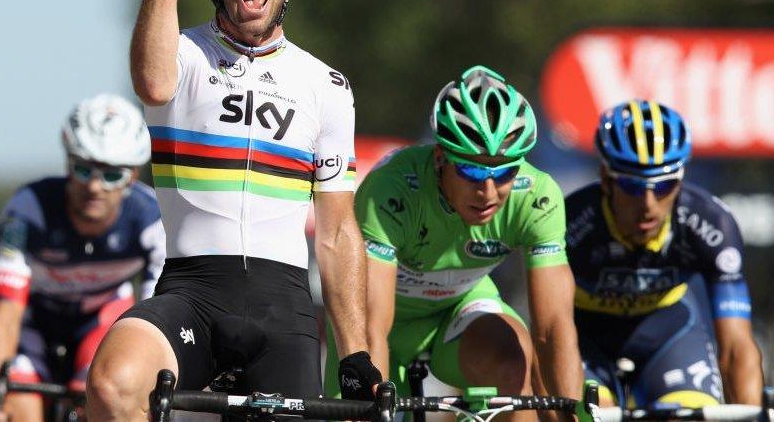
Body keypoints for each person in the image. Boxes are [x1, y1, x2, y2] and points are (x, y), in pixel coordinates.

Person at [87, 0, 381, 419]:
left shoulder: (327, 86)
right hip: (192, 292)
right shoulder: (181, 55)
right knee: (113, 383)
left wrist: (357, 350)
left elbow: (338, 231)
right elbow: (150, 82)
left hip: (284, 310)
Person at [325, 66, 584, 422]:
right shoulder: (393, 189)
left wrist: (573, 413)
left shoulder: (537, 196)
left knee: (514, 361)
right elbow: (372, 329)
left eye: (505, 172)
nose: (488, 191)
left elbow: (554, 327)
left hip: (458, 311)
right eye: (473, 172)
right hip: (383, 323)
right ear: (440, 158)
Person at [0, 94, 165, 422]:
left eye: (112, 175)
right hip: (35, 325)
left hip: (103, 318)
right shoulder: (26, 211)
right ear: (67, 163)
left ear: (133, 176)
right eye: (84, 169)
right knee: (18, 408)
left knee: (103, 396)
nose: (95, 186)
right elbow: (5, 318)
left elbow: (157, 321)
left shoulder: (151, 218)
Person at [566, 99, 762, 408]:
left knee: (689, 417)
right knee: (593, 414)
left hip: (670, 335)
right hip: (584, 340)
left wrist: (752, 415)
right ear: (606, 179)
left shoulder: (711, 224)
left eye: (664, 186)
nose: (648, 204)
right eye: (632, 186)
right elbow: (548, 325)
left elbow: (737, 345)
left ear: (681, 180)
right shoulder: (571, 224)